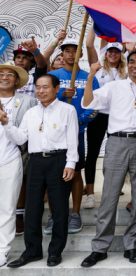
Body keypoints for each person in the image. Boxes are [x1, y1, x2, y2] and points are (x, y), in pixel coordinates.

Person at [80, 50, 136, 267]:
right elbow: (88, 103)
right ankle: (100, 247)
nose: (135, 66)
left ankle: (132, 245)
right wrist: (90, 78)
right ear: (127, 64)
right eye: (132, 62)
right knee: (109, 196)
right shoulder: (114, 86)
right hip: (117, 142)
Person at [3, 74, 78, 268]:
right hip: (35, 161)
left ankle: (55, 252)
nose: (41, 91)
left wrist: (71, 163)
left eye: (45, 87)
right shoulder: (30, 113)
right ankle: (32, 251)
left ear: (56, 88)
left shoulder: (67, 110)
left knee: (59, 208)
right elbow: (20, 139)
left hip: (59, 161)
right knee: (33, 208)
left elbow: (73, 140)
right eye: (38, 87)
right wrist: (6, 123)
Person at [49, 38, 99, 234]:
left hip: (76, 133)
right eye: (67, 51)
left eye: (74, 50)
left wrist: (80, 121)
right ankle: (54, 215)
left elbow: (94, 104)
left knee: (76, 172)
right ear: (62, 54)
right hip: (54, 133)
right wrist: (60, 94)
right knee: (54, 175)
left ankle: (75, 213)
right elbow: (42, 100)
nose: (71, 54)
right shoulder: (53, 76)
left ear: (81, 54)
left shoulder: (89, 77)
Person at [84, 34, 127, 210]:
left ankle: (114, 188)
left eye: (116, 51)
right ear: (106, 53)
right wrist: (95, 21)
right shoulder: (99, 68)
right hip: (98, 115)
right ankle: (90, 193)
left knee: (115, 155)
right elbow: (88, 45)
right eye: (110, 51)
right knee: (93, 153)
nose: (113, 54)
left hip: (118, 116)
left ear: (121, 54)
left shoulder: (126, 72)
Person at [0, 63, 36, 266]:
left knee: (6, 207)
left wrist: (5, 121)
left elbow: (24, 137)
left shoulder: (27, 101)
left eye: (9, 75)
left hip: (11, 158)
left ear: (16, 81)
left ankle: (2, 250)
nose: (4, 77)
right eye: (1, 74)